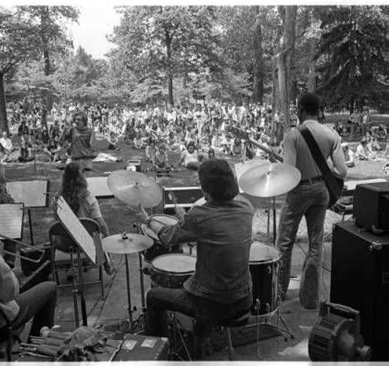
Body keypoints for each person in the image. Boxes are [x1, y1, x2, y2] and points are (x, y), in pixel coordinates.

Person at [137, 159, 254, 360]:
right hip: (244, 298)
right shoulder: (246, 207)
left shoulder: (200, 216)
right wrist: (187, 219)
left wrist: (147, 219)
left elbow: (167, 237)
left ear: (206, 190)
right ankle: (201, 345)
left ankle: (160, 354)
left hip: (213, 303)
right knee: (205, 286)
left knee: (154, 296)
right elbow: (215, 226)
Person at [277, 93, 347, 310]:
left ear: (300, 109)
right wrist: (320, 169)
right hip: (321, 190)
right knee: (316, 242)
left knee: (285, 242)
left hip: (299, 191)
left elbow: (290, 171)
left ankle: (279, 291)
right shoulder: (331, 134)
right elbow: (342, 171)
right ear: (318, 110)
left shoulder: (293, 134)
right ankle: (309, 298)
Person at [57, 162, 115, 275]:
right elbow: (101, 224)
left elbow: (57, 220)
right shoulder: (89, 198)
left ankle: (74, 264)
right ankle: (107, 262)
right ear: (81, 177)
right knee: (99, 235)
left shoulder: (58, 198)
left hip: (64, 244)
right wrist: (109, 240)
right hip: (87, 244)